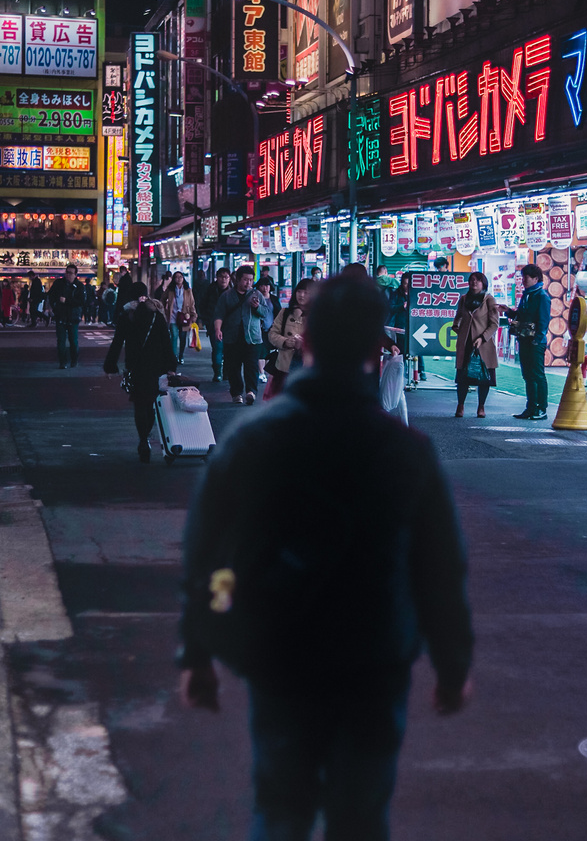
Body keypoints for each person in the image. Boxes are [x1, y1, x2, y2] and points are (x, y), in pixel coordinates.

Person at [178, 277, 473, 840]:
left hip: (280, 650)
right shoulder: (406, 451)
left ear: (305, 341)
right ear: (373, 349)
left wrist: (200, 648)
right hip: (374, 656)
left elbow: (208, 557)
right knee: (360, 816)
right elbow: (439, 568)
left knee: (281, 809)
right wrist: (452, 665)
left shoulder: (253, 440)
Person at [103, 282, 178, 462]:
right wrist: (171, 365)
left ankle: (143, 439)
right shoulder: (156, 315)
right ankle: (147, 435)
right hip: (155, 366)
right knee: (152, 402)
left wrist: (110, 365)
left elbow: (117, 342)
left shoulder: (127, 316)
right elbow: (166, 343)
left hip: (136, 366)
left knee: (139, 404)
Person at [213, 265, 272, 405]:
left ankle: (251, 391)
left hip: (252, 337)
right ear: (238, 279)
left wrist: (257, 307)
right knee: (233, 366)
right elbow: (219, 314)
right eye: (245, 280)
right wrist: (217, 329)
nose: (248, 283)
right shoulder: (227, 296)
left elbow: (266, 313)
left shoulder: (257, 295)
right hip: (232, 337)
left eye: (251, 280)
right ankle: (237, 393)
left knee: (251, 365)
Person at [500, 263, 551, 421]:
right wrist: (508, 311)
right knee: (527, 375)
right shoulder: (527, 295)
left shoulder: (542, 296)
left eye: (525, 277)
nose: (523, 280)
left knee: (537, 375)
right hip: (524, 339)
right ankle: (530, 407)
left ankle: (541, 408)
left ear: (535, 278)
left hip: (535, 342)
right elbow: (521, 315)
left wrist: (537, 339)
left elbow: (544, 321)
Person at [452, 272, 500, 418]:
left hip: (483, 345)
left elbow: (494, 324)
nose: (474, 283)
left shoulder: (489, 300)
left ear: (483, 283)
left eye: (478, 280)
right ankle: (460, 406)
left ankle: (481, 407)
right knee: (463, 376)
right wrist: (457, 328)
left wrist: (482, 338)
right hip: (466, 343)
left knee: (483, 378)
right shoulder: (464, 299)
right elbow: (458, 317)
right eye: (472, 280)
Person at [265, 278, 311, 398]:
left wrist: (304, 344)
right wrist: (285, 342)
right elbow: (272, 334)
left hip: (307, 366)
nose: (301, 295)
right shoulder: (285, 312)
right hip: (284, 365)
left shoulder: (318, 315)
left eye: (306, 293)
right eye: (299, 291)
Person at [47, 264, 86, 369]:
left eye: (70, 273)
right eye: (67, 272)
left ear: (76, 274)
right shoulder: (59, 283)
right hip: (60, 315)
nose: (68, 275)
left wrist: (67, 301)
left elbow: (81, 301)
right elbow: (51, 295)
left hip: (73, 317)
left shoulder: (79, 286)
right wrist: (54, 306)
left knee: (73, 340)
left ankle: (74, 360)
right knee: (61, 341)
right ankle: (62, 362)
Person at [201, 268, 231, 382]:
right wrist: (207, 320)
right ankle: (217, 372)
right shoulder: (210, 290)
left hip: (229, 326)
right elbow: (203, 305)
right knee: (217, 349)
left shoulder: (232, 292)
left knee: (228, 350)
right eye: (221, 277)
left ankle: (226, 372)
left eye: (226, 277)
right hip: (213, 325)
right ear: (217, 278)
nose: (223, 279)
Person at [164, 271, 197, 366]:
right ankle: (173, 357)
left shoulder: (188, 290)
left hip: (184, 316)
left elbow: (192, 303)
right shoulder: (170, 290)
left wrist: (193, 314)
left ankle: (181, 356)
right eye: (176, 277)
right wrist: (164, 310)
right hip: (173, 316)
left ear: (183, 278)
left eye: (180, 277)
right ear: (174, 279)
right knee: (174, 336)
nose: (178, 279)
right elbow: (162, 298)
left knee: (183, 338)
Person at [256, 276, 282, 383]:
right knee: (261, 351)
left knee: (269, 351)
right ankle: (261, 373)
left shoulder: (274, 299)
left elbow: (279, 313)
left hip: (272, 328)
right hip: (259, 329)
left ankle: (264, 371)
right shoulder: (255, 298)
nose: (265, 288)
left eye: (267, 285)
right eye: (262, 285)